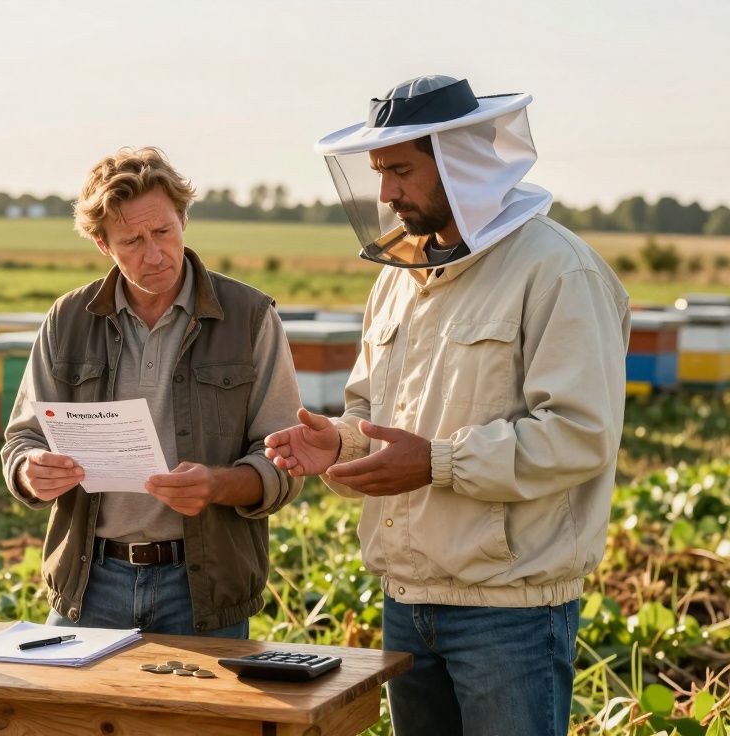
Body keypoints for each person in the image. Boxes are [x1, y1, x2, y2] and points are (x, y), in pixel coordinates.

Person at [264, 76, 630, 735]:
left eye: (401, 170)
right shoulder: (398, 281)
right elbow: (375, 413)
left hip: (509, 612)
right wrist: (340, 443)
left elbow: (581, 434)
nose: (386, 193)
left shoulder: (555, 270)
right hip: (405, 601)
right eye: (379, 172)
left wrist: (436, 463)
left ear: (463, 162)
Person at [1, 146, 304, 638]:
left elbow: (284, 462)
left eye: (163, 231)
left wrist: (217, 485)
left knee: (202, 718)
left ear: (183, 218)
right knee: (75, 717)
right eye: (132, 241)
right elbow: (22, 441)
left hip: (204, 586)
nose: (154, 253)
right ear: (103, 245)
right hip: (89, 583)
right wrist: (31, 472)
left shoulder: (250, 318)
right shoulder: (67, 320)